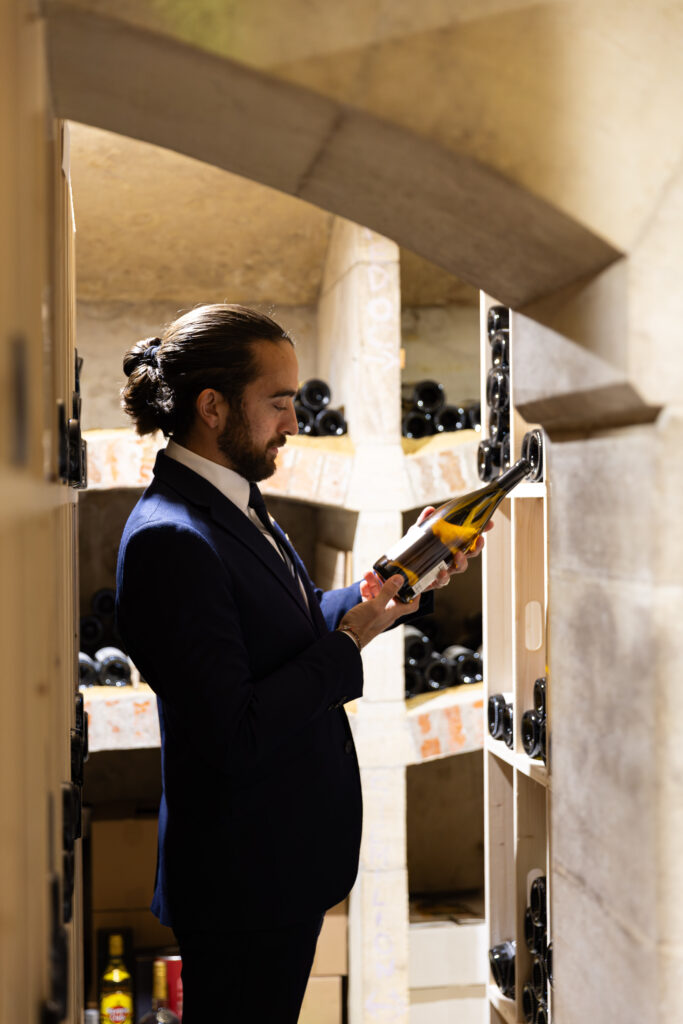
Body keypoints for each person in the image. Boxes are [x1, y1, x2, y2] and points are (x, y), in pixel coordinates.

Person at [115, 304, 485, 1023]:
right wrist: (350, 642)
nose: (293, 421)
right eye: (278, 402)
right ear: (213, 407)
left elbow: (289, 623)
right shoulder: (171, 539)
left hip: (276, 869)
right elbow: (235, 732)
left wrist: (402, 571)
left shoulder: (233, 502)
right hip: (242, 882)